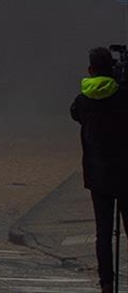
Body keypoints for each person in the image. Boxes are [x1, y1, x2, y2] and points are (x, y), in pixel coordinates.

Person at [70, 47, 128, 293]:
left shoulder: (82, 102)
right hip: (125, 174)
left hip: (97, 175)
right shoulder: (123, 96)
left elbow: (75, 114)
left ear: (90, 70)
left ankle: (106, 284)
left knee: (103, 234)